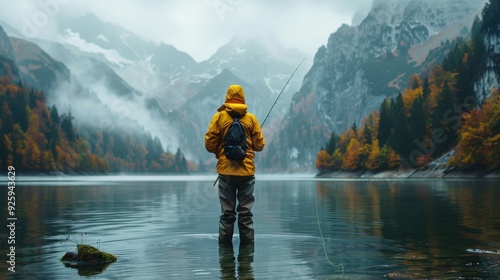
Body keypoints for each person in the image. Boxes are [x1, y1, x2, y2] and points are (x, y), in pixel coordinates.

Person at [205, 84, 265, 245]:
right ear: (242, 98)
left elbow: (209, 145)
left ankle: (225, 255)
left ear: (227, 97)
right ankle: (248, 256)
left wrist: (221, 149)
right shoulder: (251, 118)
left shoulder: (219, 118)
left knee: (227, 213)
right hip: (247, 173)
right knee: (245, 214)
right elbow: (259, 146)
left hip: (226, 173)